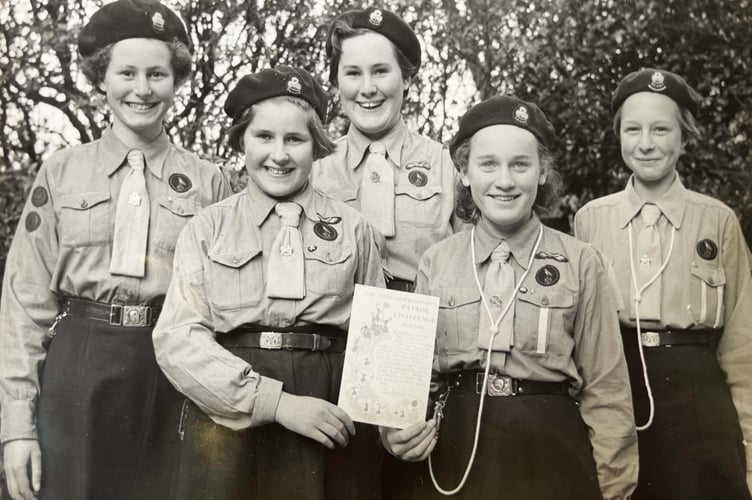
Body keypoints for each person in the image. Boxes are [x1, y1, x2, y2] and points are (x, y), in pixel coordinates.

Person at [0, 0, 231, 498]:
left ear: (177, 81)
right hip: (79, 366)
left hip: (175, 369)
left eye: (157, 74)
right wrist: (17, 426)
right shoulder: (61, 172)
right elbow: (24, 304)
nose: (142, 89)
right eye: (126, 72)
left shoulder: (210, 182)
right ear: (102, 77)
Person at [381, 95, 638, 500]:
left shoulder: (581, 262)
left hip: (550, 449)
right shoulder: (438, 261)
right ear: (464, 172)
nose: (505, 181)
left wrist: (615, 488)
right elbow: (413, 383)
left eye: (520, 164)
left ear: (542, 173)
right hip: (457, 453)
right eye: (488, 165)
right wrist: (393, 430)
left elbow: (607, 390)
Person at [152, 66, 386, 500]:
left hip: (330, 415)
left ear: (316, 146)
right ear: (241, 139)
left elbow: (378, 344)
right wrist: (276, 403)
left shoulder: (356, 230)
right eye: (264, 137)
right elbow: (178, 339)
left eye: (294, 139)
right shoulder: (208, 228)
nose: (279, 154)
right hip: (229, 417)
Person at [574, 68, 752, 500]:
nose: (645, 143)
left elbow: (743, 348)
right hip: (615, 391)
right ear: (619, 136)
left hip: (698, 400)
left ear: (684, 137)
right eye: (632, 129)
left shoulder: (717, 220)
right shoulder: (591, 221)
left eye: (661, 129)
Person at [312, 6, 463, 292]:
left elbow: (471, 266)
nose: (367, 88)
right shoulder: (314, 167)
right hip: (335, 324)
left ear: (406, 79)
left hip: (425, 323)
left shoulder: (445, 166)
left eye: (380, 71)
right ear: (337, 83)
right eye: (353, 73)